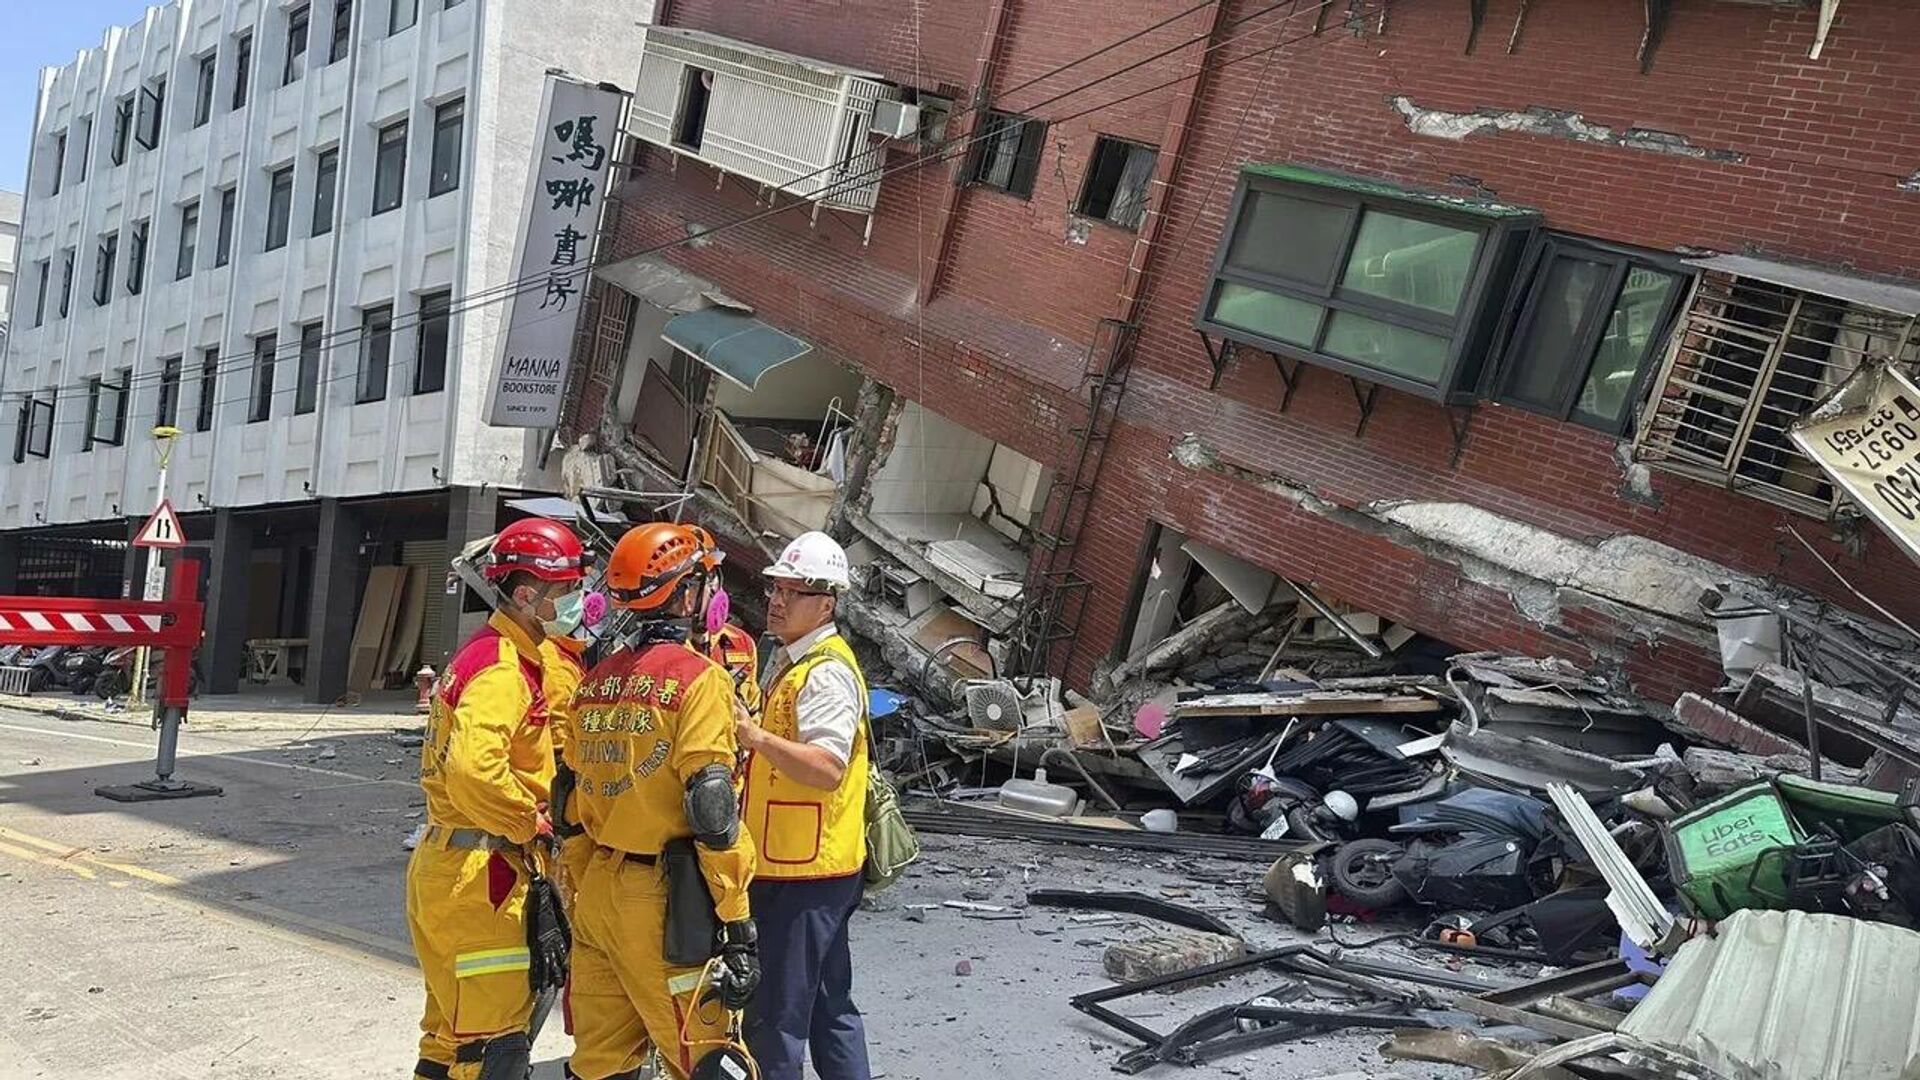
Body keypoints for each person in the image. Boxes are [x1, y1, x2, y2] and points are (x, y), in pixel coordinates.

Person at [565, 522, 760, 1080]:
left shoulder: (595, 681)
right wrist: (738, 920)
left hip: (599, 889)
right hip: (666, 905)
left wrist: (580, 887)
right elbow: (712, 807)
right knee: (707, 1060)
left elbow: (569, 803)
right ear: (686, 592)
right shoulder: (701, 680)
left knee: (600, 1064)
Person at [407, 517, 586, 1080]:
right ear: (528, 595)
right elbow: (474, 769)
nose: (577, 602)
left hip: (452, 866)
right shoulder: (503, 669)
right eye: (566, 593)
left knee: (448, 1034)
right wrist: (531, 821)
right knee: (493, 1046)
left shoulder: (490, 654)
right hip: (482, 878)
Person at [736, 530, 872, 1080]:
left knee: (775, 1017)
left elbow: (826, 767)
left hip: (801, 871)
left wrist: (757, 739)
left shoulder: (826, 672)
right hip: (810, 865)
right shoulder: (794, 661)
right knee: (824, 1004)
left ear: (826, 603)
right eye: (775, 588)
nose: (776, 600)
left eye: (792, 592)